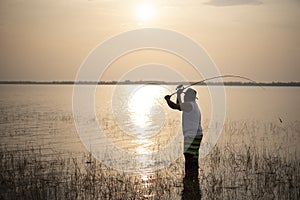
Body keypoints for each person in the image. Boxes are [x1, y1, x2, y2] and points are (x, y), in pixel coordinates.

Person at [164, 87, 203, 179]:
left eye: (185, 95)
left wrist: (167, 100)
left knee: (188, 156)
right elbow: (179, 105)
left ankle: (188, 178)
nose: (184, 97)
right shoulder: (193, 104)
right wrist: (178, 94)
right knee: (193, 158)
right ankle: (194, 177)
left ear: (189, 97)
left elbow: (175, 106)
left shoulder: (189, 105)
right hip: (196, 135)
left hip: (192, 136)